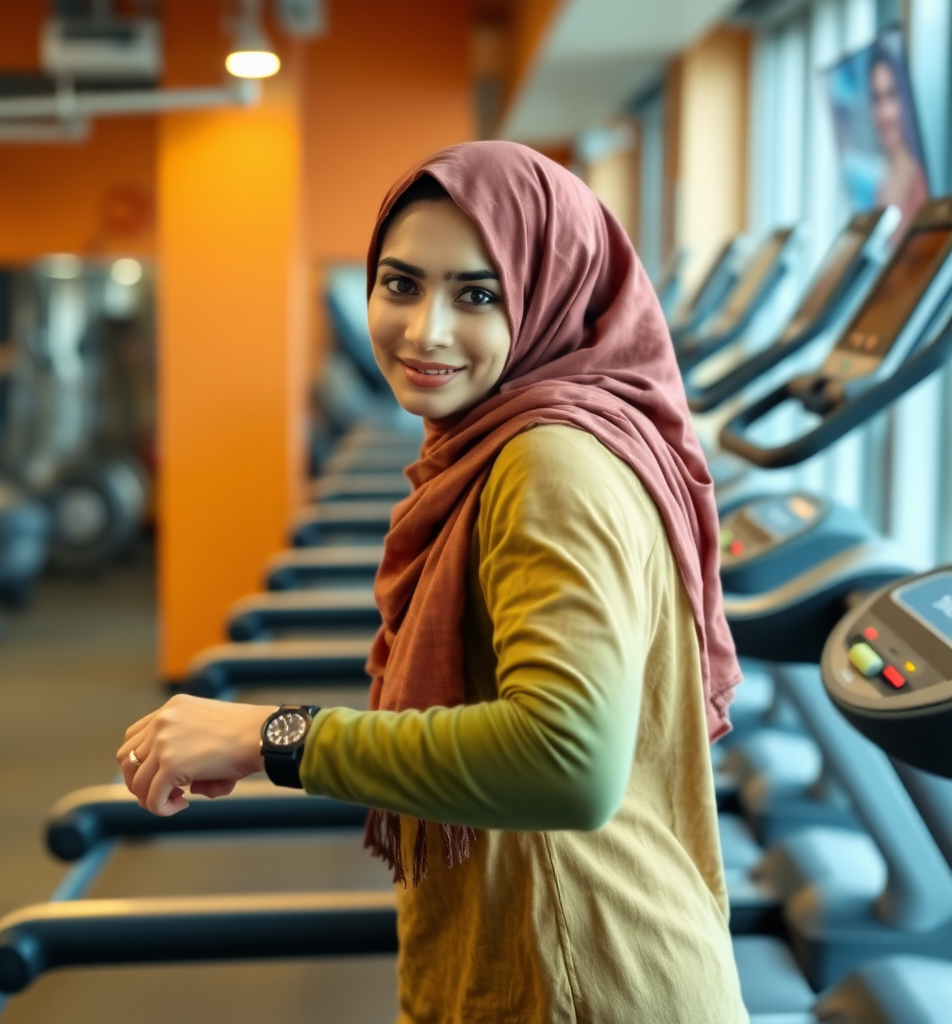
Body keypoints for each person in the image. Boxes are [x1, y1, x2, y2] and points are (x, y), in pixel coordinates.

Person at [118, 141, 749, 1022]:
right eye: (400, 283)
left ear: (545, 296)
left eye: (477, 294)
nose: (426, 331)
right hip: (547, 952)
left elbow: (568, 764)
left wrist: (271, 737)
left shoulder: (549, 468)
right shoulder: (510, 445)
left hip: (583, 979)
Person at [870, 45, 928, 226]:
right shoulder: (881, 186)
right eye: (876, 98)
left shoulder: (919, 183)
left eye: (891, 95)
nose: (884, 113)